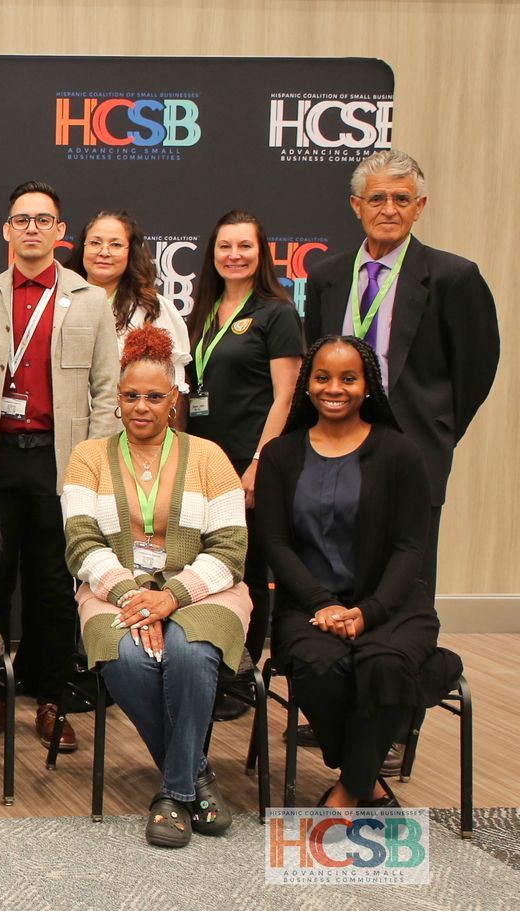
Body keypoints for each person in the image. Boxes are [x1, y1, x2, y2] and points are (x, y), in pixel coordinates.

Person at [63, 327, 252, 847]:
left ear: (174, 400)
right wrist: (133, 597)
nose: (141, 407)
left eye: (153, 396)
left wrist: (171, 598)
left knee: (191, 653)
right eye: (130, 396)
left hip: (206, 589)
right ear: (116, 398)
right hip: (114, 589)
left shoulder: (210, 456)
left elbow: (231, 548)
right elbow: (81, 543)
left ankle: (174, 793)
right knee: (126, 657)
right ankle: (195, 779)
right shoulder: (88, 457)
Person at [0, 180, 120, 750]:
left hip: (61, 463)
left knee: (53, 585)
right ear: (6, 229)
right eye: (21, 219)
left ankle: (52, 699)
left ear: (59, 231)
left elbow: (106, 391)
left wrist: (91, 466)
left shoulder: (90, 300)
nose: (31, 229)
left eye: (43, 220)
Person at [256, 335, 457, 810]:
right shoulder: (281, 455)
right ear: (307, 385)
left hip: (393, 604)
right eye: (322, 377)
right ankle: (370, 775)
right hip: (309, 608)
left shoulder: (401, 453)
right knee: (320, 666)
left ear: (368, 386)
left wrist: (369, 612)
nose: (334, 388)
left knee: (384, 664)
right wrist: (322, 604)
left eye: (349, 378)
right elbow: (276, 543)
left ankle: (350, 790)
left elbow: (410, 547)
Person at [303, 149, 500, 589]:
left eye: (401, 199)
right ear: (357, 206)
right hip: (335, 444)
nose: (389, 209)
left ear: (419, 207)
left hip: (414, 444)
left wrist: (439, 426)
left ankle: (405, 637)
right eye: (377, 199)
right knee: (335, 564)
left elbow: (477, 367)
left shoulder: (454, 277)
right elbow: (314, 359)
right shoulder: (326, 277)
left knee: (409, 575)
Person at [182, 210, 303, 719]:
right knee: (203, 563)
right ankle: (207, 666)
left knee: (246, 568)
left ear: (261, 253)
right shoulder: (203, 311)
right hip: (200, 461)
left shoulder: (276, 313)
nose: (234, 255)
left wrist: (258, 463)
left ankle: (239, 677)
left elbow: (286, 396)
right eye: (225, 246)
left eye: (245, 246)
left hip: (248, 462)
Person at [64, 210, 192, 393]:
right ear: (83, 248)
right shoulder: (60, 300)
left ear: (131, 252)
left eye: (116, 244)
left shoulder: (153, 308)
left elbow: (173, 382)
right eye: (95, 243)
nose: (104, 252)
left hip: (128, 411)